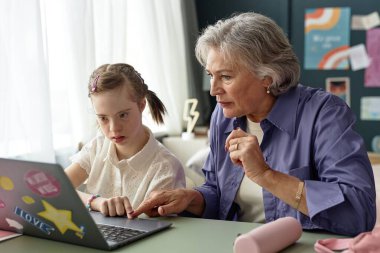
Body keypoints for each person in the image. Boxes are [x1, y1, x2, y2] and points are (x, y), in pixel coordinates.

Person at [132, 12, 377, 236]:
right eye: (211, 76)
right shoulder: (223, 114)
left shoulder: (325, 114)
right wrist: (190, 198)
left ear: (267, 77)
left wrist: (266, 175)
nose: (214, 90)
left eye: (226, 77)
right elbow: (218, 192)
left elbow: (358, 213)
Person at [65, 63, 186, 218]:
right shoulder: (97, 147)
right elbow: (56, 188)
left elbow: (156, 230)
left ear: (142, 105)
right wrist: (97, 202)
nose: (114, 129)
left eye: (123, 115)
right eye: (103, 118)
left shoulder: (166, 167)